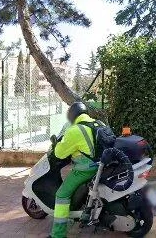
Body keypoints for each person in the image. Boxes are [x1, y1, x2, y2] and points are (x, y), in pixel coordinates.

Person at [49, 102, 98, 238]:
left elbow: (59, 154)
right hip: (102, 167)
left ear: (72, 116)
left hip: (86, 170)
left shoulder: (75, 130)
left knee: (61, 195)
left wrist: (56, 145)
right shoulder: (97, 123)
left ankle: (58, 234)